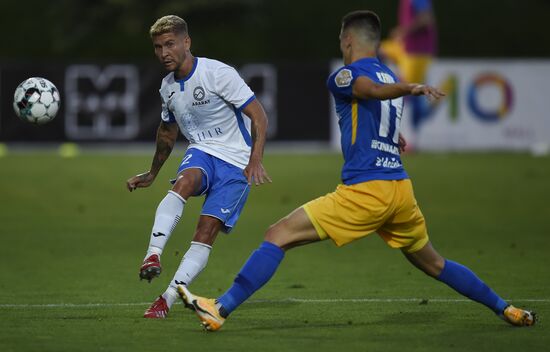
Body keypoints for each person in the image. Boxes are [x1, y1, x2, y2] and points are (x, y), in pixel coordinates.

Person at [177, 10, 536, 331]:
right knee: (434, 264)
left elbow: (370, 90)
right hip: (400, 192)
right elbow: (382, 108)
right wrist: (397, 126)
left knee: (278, 234)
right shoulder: (389, 72)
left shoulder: (347, 76)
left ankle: (219, 308)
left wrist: (409, 88)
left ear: (348, 40)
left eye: (340, 38)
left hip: (367, 191)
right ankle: (507, 309)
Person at [126, 15, 271, 319]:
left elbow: (258, 115)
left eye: (169, 44)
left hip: (236, 163)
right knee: (184, 182)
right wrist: (152, 173)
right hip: (202, 151)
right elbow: (167, 133)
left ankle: (166, 299)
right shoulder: (167, 87)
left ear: (186, 42)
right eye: (157, 47)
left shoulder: (218, 73)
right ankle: (152, 254)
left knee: (205, 232)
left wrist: (256, 157)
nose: (163, 52)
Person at [380, 0, 437, 129]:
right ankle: (384, 85)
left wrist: (403, 31)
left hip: (417, 52)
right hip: (406, 49)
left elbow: (426, 19)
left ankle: (409, 136)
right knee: (379, 50)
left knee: (408, 92)